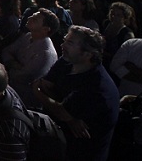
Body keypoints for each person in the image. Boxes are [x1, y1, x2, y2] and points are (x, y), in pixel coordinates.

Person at [33, 26, 120, 161]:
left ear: (88, 54)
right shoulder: (66, 61)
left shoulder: (96, 86)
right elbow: (47, 86)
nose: (62, 45)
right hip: (59, 143)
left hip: (83, 153)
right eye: (65, 40)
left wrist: (37, 92)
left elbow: (59, 110)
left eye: (70, 43)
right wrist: (70, 117)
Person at [1, 8, 59, 109]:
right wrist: (14, 64)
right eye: (32, 16)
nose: (29, 18)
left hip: (26, 101)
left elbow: (22, 76)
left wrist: (10, 65)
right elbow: (6, 51)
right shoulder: (28, 36)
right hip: (12, 90)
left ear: (45, 29)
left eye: (35, 19)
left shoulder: (45, 53)